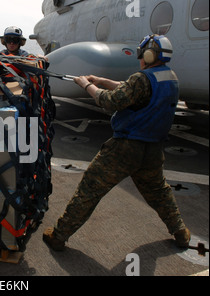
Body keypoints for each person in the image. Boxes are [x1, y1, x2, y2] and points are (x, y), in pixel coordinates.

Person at [43, 34, 191, 251]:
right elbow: (132, 90)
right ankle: (180, 232)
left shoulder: (141, 79)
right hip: (152, 149)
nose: (140, 58)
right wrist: (101, 81)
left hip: (125, 148)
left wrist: (86, 86)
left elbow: (111, 101)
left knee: (90, 189)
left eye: (142, 54)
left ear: (149, 55)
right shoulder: (170, 77)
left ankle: (58, 235)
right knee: (159, 192)